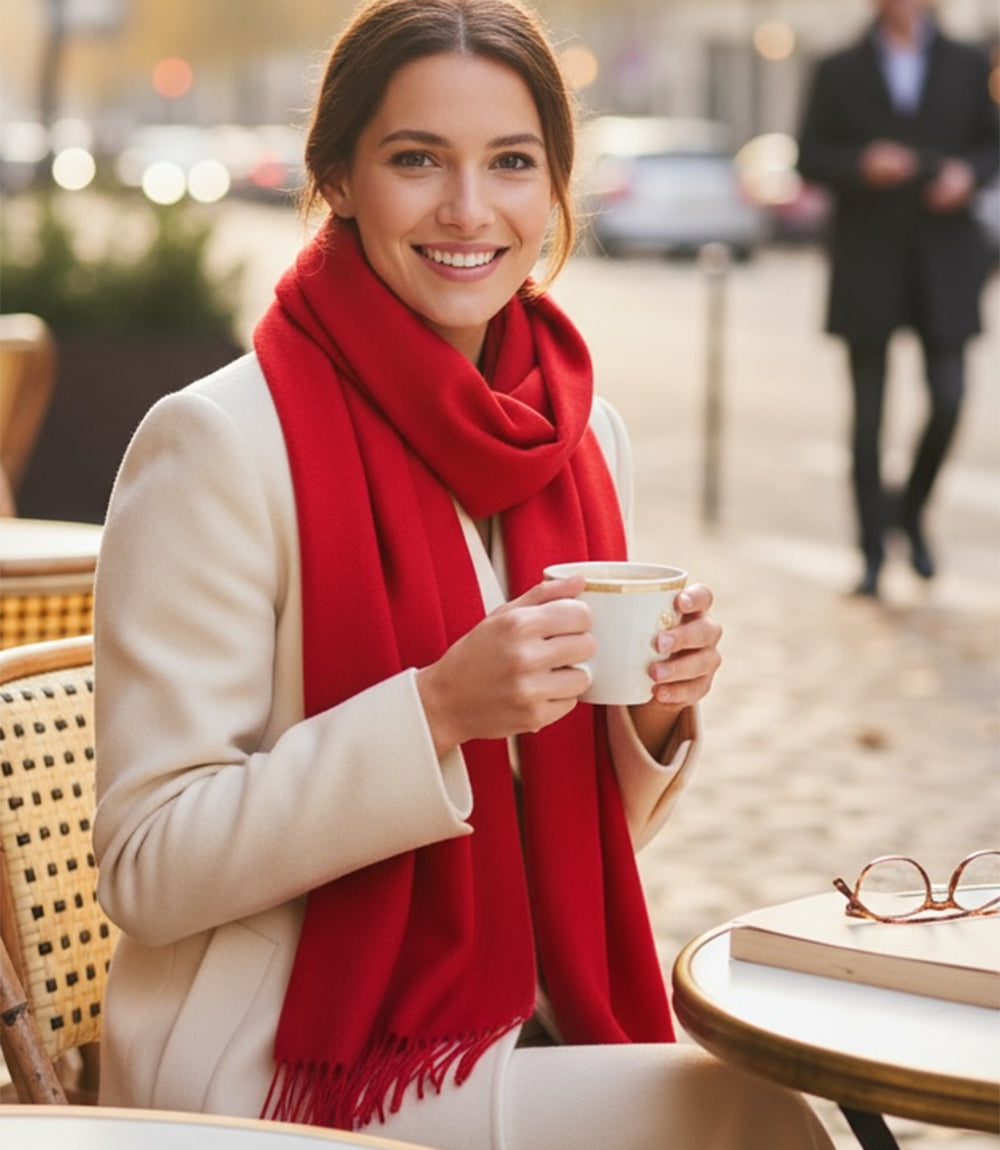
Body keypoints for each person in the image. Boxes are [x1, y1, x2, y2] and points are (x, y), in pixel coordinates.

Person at [93, 1, 834, 1147]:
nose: (468, 210)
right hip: (287, 1056)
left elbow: (564, 845)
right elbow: (148, 868)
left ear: (555, 189)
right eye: (415, 160)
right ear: (336, 176)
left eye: (511, 163)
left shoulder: (580, 438)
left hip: (518, 1013)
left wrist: (647, 716)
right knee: (740, 1116)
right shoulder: (220, 443)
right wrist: (436, 711)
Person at [797, 0, 999, 597]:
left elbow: (994, 145)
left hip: (945, 257)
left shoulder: (968, 62)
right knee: (867, 419)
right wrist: (863, 163)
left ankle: (910, 510)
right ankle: (871, 554)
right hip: (869, 259)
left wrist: (967, 175)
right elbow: (808, 154)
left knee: (949, 397)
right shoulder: (838, 66)